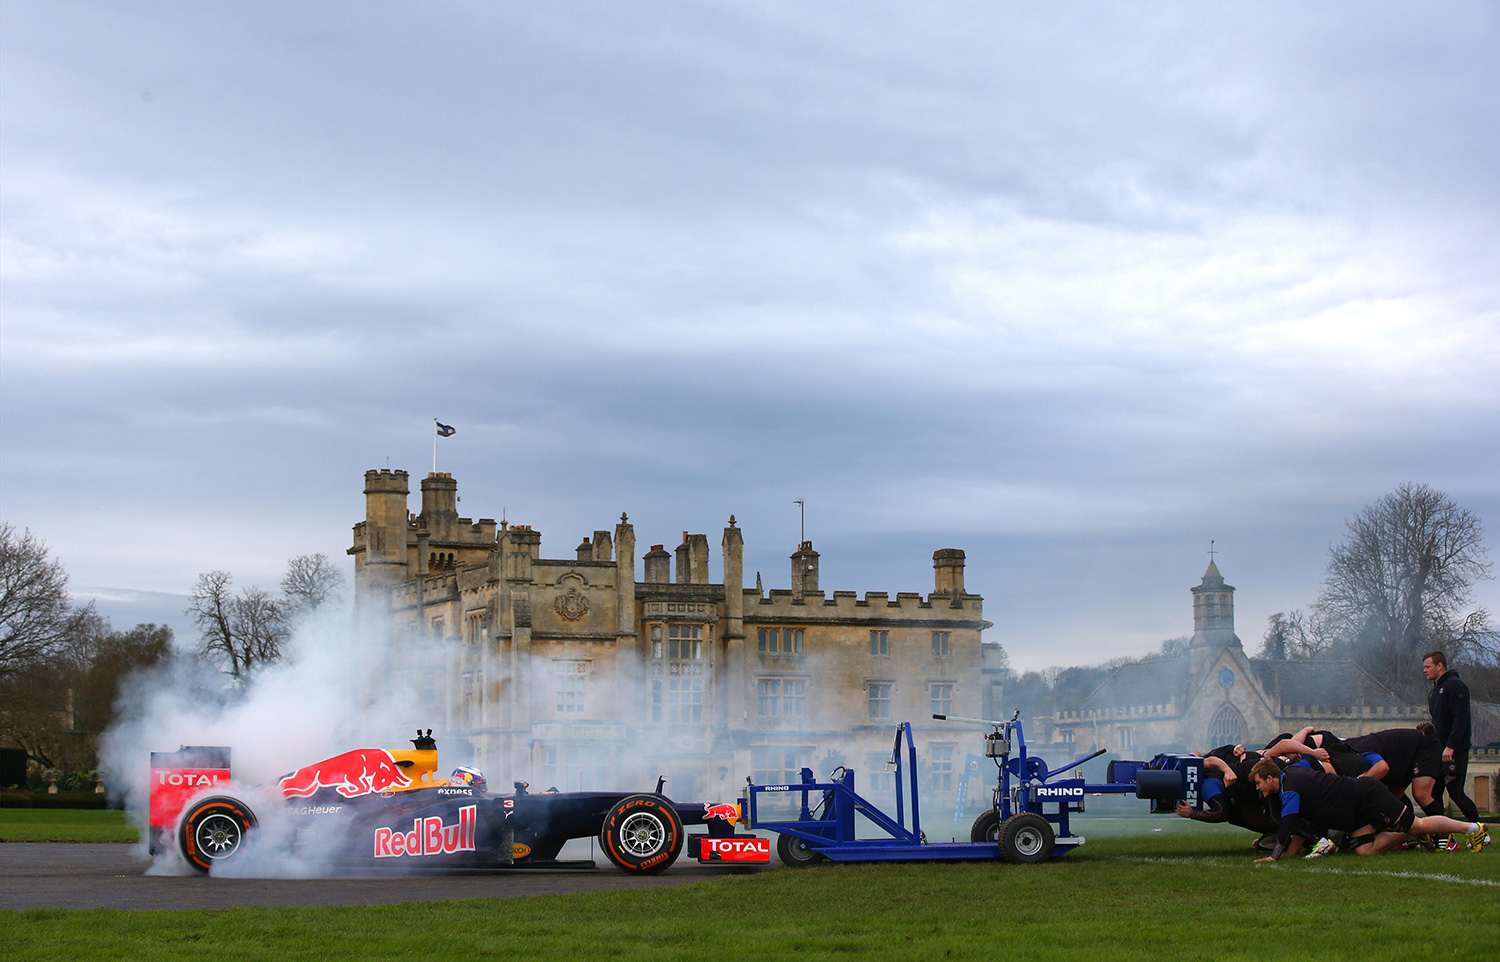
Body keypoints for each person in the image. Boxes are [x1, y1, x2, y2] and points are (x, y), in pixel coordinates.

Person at [1248, 757, 1488, 861]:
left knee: (1419, 823)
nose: (1258, 789)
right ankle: (1406, 834)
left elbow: (1289, 824)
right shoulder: (1291, 775)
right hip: (1353, 815)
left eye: (1259, 783)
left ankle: (1473, 828)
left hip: (1365, 796)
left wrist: (1275, 856)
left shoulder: (1289, 787)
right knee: (1364, 852)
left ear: (1271, 778)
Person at [1424, 649, 1485, 849]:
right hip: (1439, 750)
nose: (1424, 670)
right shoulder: (1434, 691)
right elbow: (1440, 722)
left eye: (1428, 666)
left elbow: (1461, 720)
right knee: (1434, 793)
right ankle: (1443, 837)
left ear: (1440, 666)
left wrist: (1450, 746)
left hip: (1454, 750)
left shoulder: (1455, 686)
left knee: (1455, 792)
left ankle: (1480, 832)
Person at [1343, 726, 1443, 816]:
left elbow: (1382, 768)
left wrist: (1356, 786)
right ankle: (1411, 830)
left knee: (1421, 794)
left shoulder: (1361, 748)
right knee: (1394, 798)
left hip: (1425, 747)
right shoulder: (1352, 745)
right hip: (1399, 762)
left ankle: (1444, 834)